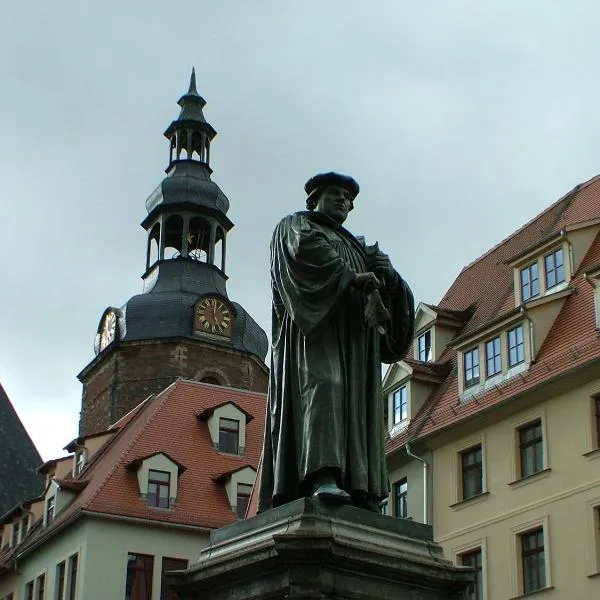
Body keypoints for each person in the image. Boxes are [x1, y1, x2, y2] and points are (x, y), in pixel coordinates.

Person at [258, 172, 414, 512]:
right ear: (314, 199)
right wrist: (351, 277)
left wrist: (390, 277)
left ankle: (360, 487)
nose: (342, 199)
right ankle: (321, 475)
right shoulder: (296, 226)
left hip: (357, 344)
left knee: (358, 405)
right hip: (314, 334)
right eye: (333, 193)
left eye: (347, 196)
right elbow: (303, 259)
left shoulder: (359, 247)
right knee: (326, 385)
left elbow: (389, 313)